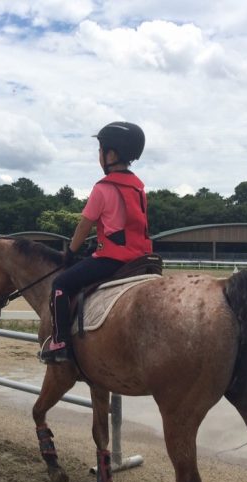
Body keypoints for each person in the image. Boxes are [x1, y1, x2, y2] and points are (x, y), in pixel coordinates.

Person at [39, 121, 153, 363]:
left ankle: (60, 342)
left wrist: (71, 251)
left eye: (100, 150)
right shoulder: (139, 188)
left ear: (111, 153)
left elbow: (84, 225)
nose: (99, 156)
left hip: (113, 259)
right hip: (140, 258)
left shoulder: (103, 188)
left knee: (60, 284)